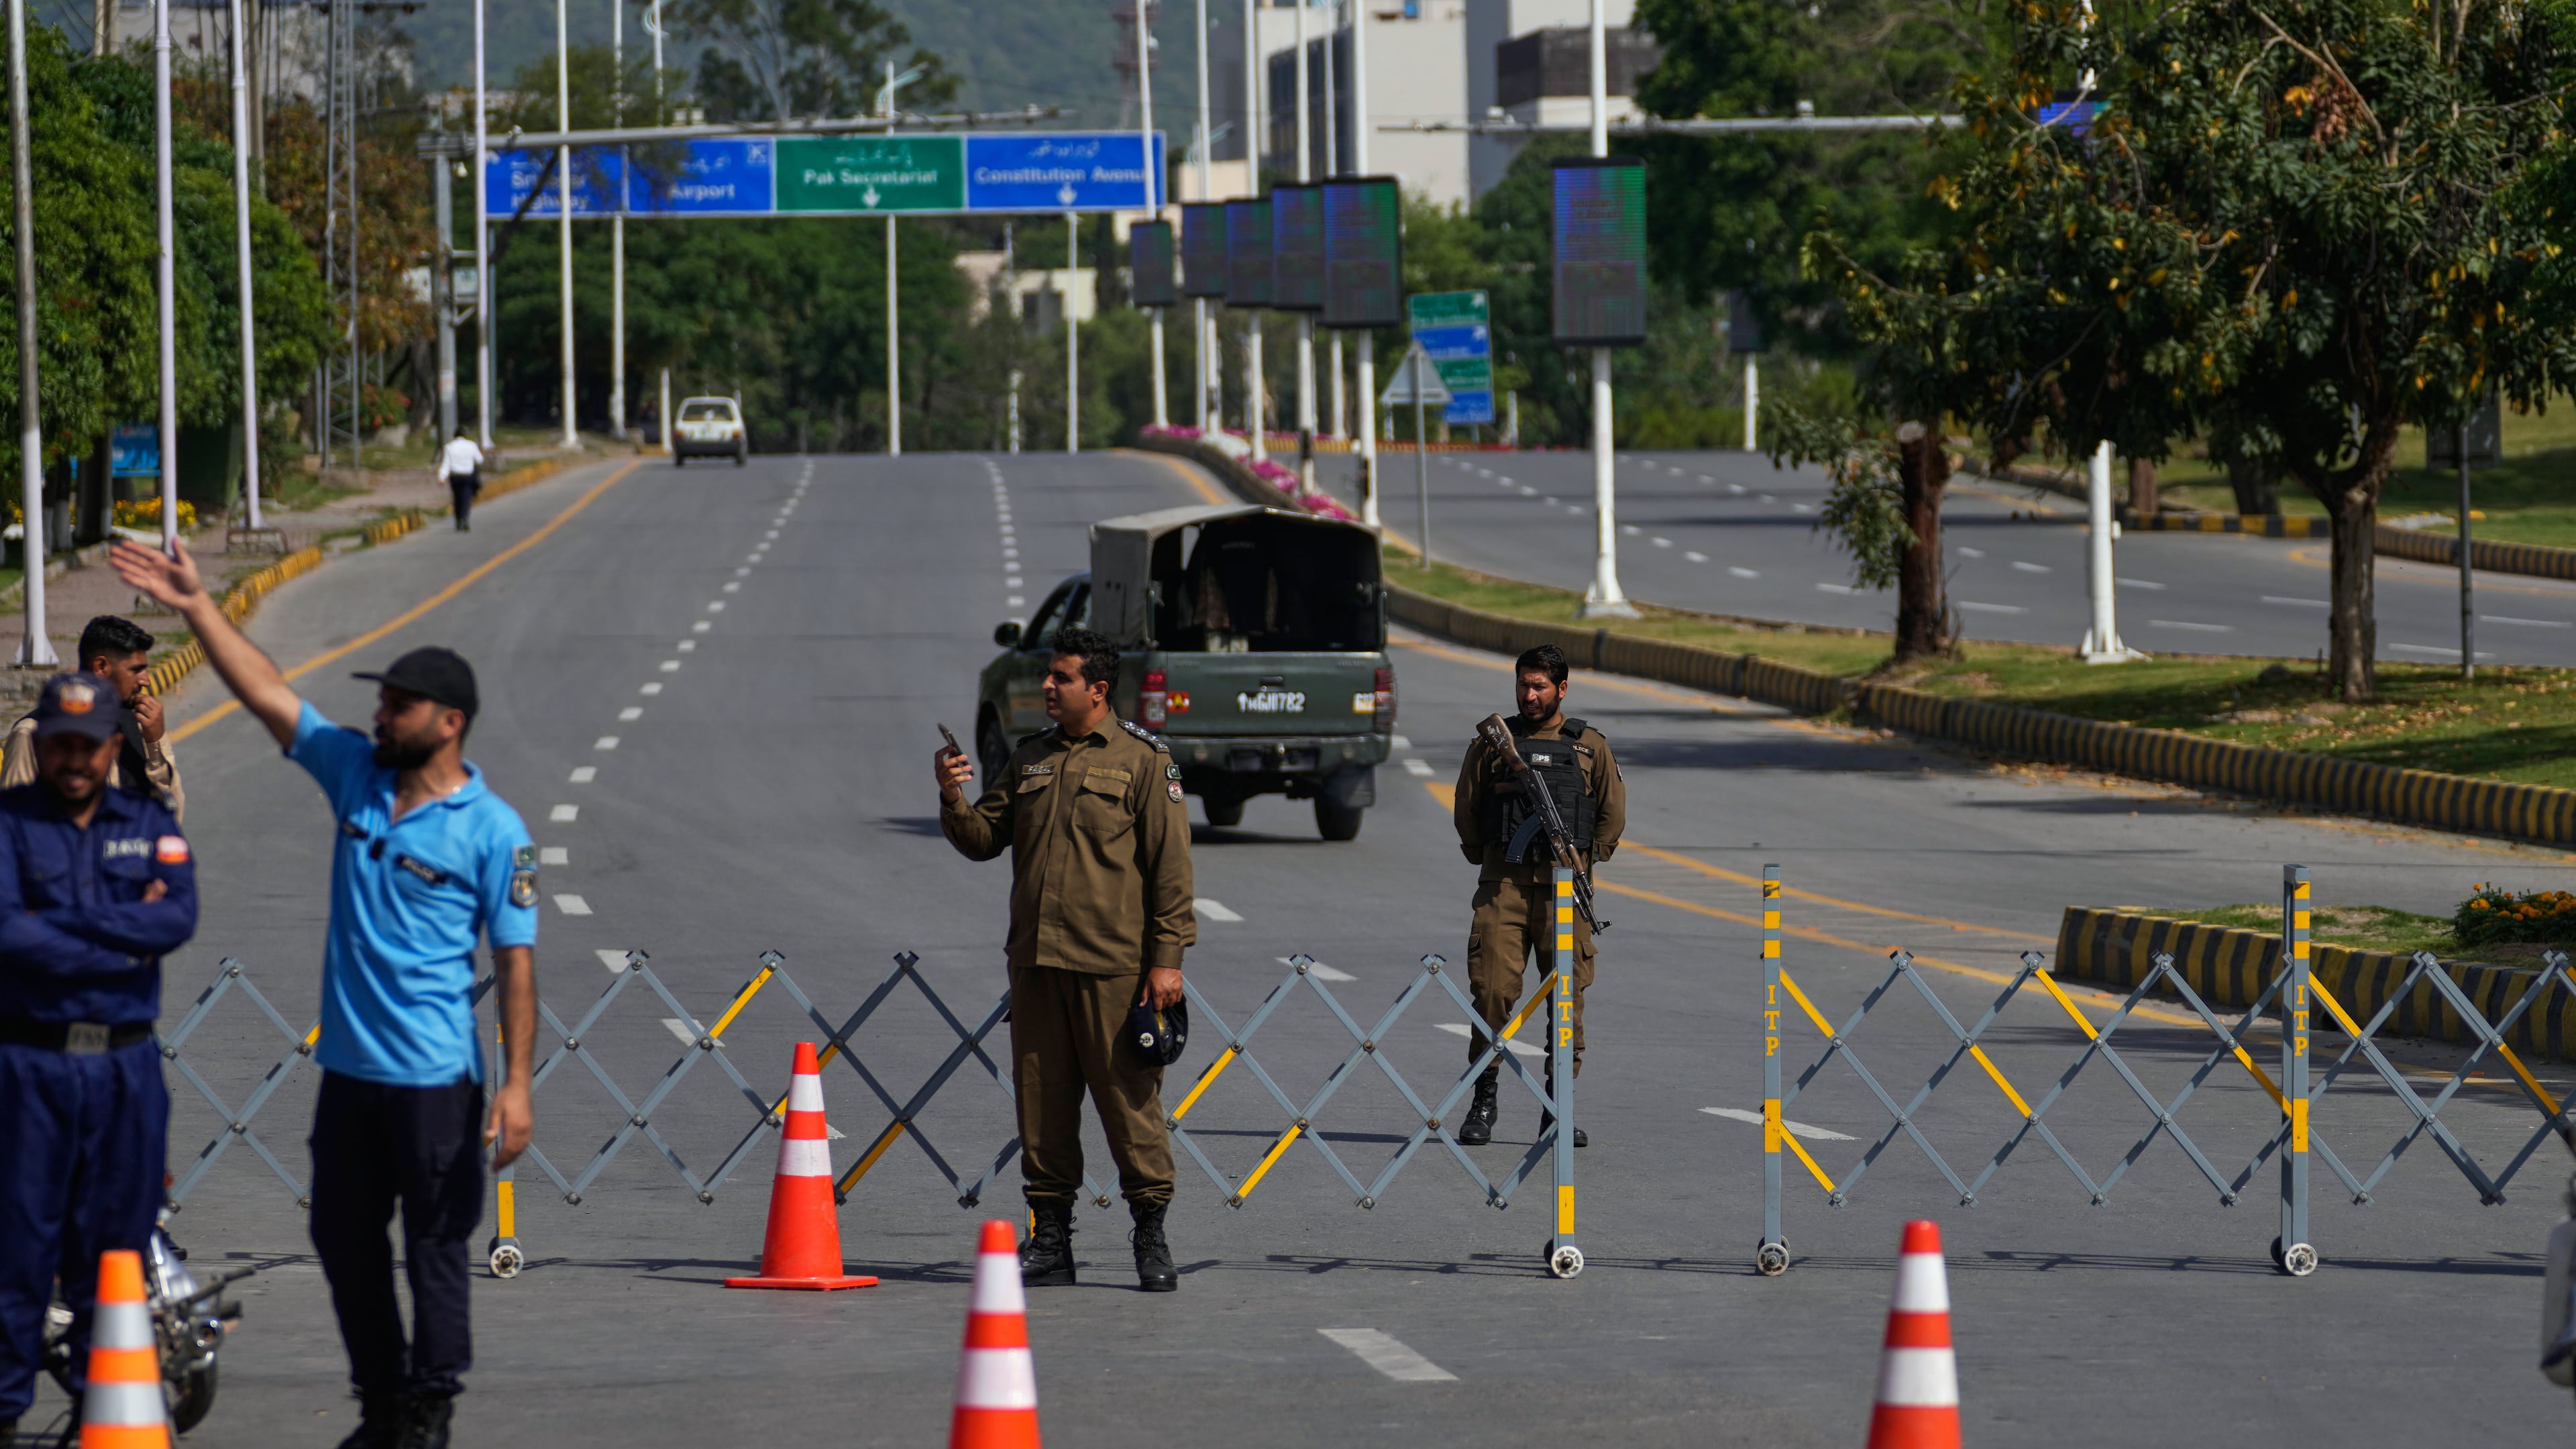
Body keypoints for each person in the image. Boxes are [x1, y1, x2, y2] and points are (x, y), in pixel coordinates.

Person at [111, 539, 538, 1449]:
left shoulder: (497, 831)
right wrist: (197, 608)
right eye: (379, 700)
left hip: (434, 1083)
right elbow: (269, 692)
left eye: (399, 703)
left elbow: (516, 963)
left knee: (433, 1254)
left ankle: (428, 1410)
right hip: (348, 1076)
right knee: (344, 1243)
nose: (379, 714)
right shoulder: (354, 772)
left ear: (450, 721)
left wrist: (516, 1085)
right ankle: (383, 1403)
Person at [935, 626, 1195, 1293]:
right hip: (1038, 966)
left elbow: (1171, 874)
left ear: (1098, 690)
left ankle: (1151, 1236)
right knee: (1042, 1109)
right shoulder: (1030, 760)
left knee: (1129, 1107)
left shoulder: (1143, 763)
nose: (1048, 685)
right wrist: (952, 797)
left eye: (1062, 677)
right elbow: (984, 838)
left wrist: (1167, 962)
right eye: (1049, 675)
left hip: (1114, 970)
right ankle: (1051, 1240)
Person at [0, 672, 198, 1447]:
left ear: (114, 747)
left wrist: (63, 925)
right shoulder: (9, 823)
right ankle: (6, 1413)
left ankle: (97, 1414)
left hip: (124, 1073)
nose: (75, 759)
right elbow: (7, 932)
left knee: (113, 1255)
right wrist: (119, 927)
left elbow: (177, 916)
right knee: (18, 1251)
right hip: (29, 1068)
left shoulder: (148, 822)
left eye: (90, 745)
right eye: (60, 745)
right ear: (40, 745)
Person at [1450, 643, 1624, 1149]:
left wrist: (1585, 860)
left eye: (1540, 686)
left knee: (1566, 1000)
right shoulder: (1493, 743)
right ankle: (1484, 1099)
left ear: (1561, 689)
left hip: (1565, 892)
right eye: (1523, 685)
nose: (1529, 695)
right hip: (1504, 887)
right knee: (1492, 993)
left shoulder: (1590, 747)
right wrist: (1489, 855)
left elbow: (1612, 814)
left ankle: (1557, 1109)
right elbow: (1468, 805)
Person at [0, 616, 183, 822]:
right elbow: (15, 826)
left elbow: (170, 817)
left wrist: (155, 743)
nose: (145, 680)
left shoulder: (137, 726)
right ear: (101, 667)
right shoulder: (32, 734)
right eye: (135, 670)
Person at [433, 430, 483, 532]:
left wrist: (442, 477)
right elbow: (479, 460)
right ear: (465, 435)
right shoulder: (471, 445)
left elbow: (446, 464)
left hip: (455, 477)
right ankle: (464, 519)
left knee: (457, 498)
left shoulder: (449, 447)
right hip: (468, 476)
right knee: (466, 498)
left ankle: (458, 520)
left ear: (454, 436)